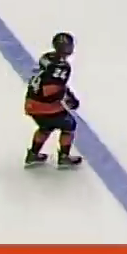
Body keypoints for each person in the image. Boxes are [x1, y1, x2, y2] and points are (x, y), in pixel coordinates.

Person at [23, 33, 83, 168]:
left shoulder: (47, 57)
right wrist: (68, 99)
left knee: (45, 127)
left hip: (31, 101)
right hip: (43, 104)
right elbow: (51, 91)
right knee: (69, 125)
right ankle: (64, 157)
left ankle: (33, 154)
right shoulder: (62, 67)